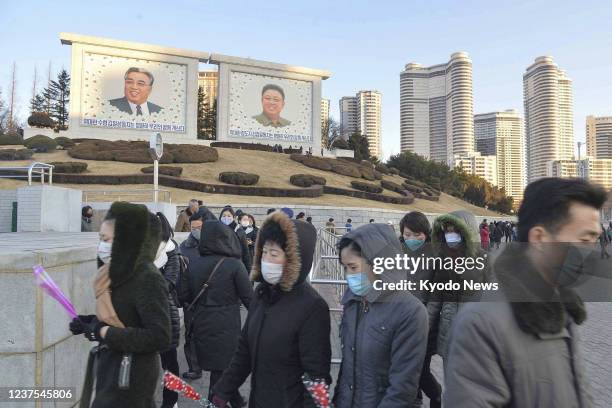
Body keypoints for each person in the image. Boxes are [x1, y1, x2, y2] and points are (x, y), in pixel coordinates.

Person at [444, 177, 605, 407]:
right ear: (539, 238)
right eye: (584, 239)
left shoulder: (563, 308)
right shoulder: (481, 325)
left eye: (595, 240)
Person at [211, 211, 331, 407]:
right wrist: (223, 390)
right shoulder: (261, 294)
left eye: (274, 254)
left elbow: (317, 378)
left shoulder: (312, 307)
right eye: (264, 252)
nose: (266, 259)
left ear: (294, 259)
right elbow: (244, 351)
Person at [69, 202, 171, 407]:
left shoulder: (147, 277)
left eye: (106, 239)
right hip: (111, 367)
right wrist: (89, 322)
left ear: (126, 240)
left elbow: (160, 336)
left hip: (132, 377)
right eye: (100, 239)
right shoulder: (112, 274)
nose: (101, 246)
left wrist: (104, 332)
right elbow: (123, 317)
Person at [334, 223, 428, 407]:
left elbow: (402, 388)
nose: (348, 276)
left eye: (353, 267)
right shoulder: (353, 301)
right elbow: (347, 369)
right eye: (345, 268)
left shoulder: (411, 312)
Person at [178, 219, 253, 407]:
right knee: (221, 369)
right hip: (227, 325)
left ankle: (235, 399)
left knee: (219, 367)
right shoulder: (235, 265)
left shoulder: (193, 264)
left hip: (201, 323)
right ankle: (215, 402)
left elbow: (181, 296)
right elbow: (250, 300)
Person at [427, 210, 488, 362]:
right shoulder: (443, 260)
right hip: (448, 334)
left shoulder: (485, 260)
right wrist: (423, 327)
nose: (450, 235)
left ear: (468, 233)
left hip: (475, 337)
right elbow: (434, 300)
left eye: (455, 231)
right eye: (447, 231)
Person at [399, 212, 442, 407]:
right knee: (405, 368)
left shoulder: (435, 255)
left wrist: (426, 323)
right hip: (401, 322)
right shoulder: (397, 252)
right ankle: (415, 401)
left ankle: (436, 395)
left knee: (420, 369)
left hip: (425, 323)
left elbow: (435, 297)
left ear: (426, 233)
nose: (412, 239)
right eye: (408, 234)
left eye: (417, 234)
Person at [178, 207, 215, 380]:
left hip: (212, 299)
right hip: (191, 300)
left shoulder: (215, 247)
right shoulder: (184, 247)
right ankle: (194, 367)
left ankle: (214, 364)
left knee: (210, 335)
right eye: (193, 228)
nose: (196, 231)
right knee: (190, 335)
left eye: (199, 228)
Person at [153, 212, 182, 408]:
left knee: (169, 363)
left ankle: (170, 401)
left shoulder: (171, 252)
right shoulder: (142, 251)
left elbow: (170, 281)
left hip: (166, 314)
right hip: (144, 315)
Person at [219, 206, 252, 274]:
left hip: (236, 267)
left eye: (229, 216)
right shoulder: (217, 230)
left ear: (233, 217)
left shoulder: (239, 231)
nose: (226, 218)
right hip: (220, 267)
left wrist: (248, 271)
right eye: (224, 216)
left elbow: (245, 253)